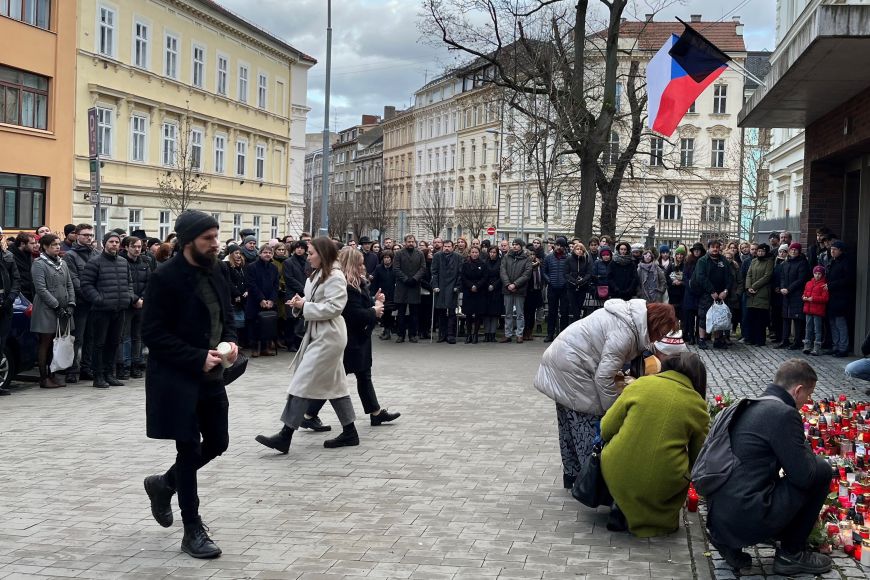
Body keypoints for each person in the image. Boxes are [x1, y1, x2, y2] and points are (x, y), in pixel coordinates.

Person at [142, 211, 239, 559]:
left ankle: (163, 484)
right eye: (208, 238)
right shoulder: (165, 278)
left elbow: (226, 316)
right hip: (178, 378)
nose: (216, 244)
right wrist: (197, 356)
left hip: (213, 376)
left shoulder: (217, 269)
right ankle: (192, 529)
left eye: (216, 236)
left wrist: (230, 342)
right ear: (187, 241)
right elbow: (152, 333)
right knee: (188, 449)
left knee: (217, 442)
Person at [705, 359, 833, 576]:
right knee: (821, 471)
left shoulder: (749, 404)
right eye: (808, 395)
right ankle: (791, 554)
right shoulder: (783, 413)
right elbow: (804, 476)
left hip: (719, 515)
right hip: (747, 513)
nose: (807, 401)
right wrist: (806, 451)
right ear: (798, 390)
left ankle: (729, 540)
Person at [533, 300, 677, 489]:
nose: (659, 338)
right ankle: (588, 485)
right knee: (585, 426)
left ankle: (573, 476)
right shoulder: (625, 333)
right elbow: (603, 378)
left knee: (568, 424)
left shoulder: (629, 319)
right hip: (573, 367)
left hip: (564, 359)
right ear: (653, 323)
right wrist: (613, 412)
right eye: (660, 332)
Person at [255, 237, 360, 452]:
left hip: (329, 336)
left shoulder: (335, 276)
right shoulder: (316, 275)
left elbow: (335, 307)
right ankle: (350, 431)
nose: (308, 256)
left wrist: (304, 306)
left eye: (311, 253)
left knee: (301, 382)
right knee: (336, 384)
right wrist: (298, 304)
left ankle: (285, 435)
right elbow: (311, 302)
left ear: (322, 254)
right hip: (318, 334)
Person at [601, 352, 709, 536]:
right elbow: (699, 458)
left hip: (615, 470)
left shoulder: (641, 384)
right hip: (662, 482)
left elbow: (606, 428)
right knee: (663, 477)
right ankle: (650, 517)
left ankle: (623, 507)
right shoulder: (697, 405)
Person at [304, 247, 400, 428]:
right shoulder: (345, 286)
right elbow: (353, 314)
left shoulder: (358, 283)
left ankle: (375, 412)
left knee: (362, 375)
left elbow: (364, 305)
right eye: (360, 264)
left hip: (358, 338)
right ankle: (309, 414)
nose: (364, 267)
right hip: (349, 339)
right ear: (351, 264)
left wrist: (375, 302)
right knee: (334, 379)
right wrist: (374, 310)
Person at [81, 231, 133, 388]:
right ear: (104, 243)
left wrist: (128, 296)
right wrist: (98, 299)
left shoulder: (123, 262)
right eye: (111, 242)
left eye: (117, 242)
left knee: (114, 342)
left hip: (120, 308)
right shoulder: (94, 262)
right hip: (101, 310)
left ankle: (109, 374)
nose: (114, 245)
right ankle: (98, 376)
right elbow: (86, 285)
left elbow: (129, 282)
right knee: (99, 344)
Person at [30, 234, 76, 389]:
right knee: (46, 342)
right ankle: (44, 377)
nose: (58, 247)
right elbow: (41, 289)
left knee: (57, 342)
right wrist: (56, 306)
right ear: (45, 246)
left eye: (58, 244)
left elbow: (69, 284)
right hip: (46, 309)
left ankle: (54, 373)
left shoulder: (62, 263)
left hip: (63, 308)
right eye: (54, 245)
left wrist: (71, 303)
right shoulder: (39, 264)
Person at [119, 235, 150, 379]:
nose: (138, 249)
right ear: (126, 247)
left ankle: (135, 365)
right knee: (125, 336)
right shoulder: (121, 262)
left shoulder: (145, 261)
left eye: (139, 246)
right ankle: (125, 365)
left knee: (137, 336)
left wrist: (143, 298)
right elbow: (122, 284)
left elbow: (150, 282)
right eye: (134, 246)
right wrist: (134, 299)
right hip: (127, 304)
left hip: (141, 304)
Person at [693, 240, 733, 350]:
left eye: (717, 247)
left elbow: (729, 277)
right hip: (707, 294)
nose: (715, 249)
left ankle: (717, 340)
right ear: (708, 248)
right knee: (703, 316)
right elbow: (700, 277)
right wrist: (711, 291)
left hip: (721, 294)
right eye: (712, 247)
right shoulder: (702, 261)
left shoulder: (723, 260)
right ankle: (702, 339)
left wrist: (725, 291)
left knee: (719, 317)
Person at [244, 243, 279, 357]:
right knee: (254, 325)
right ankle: (255, 348)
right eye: (265, 252)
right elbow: (251, 284)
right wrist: (261, 299)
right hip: (255, 301)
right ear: (260, 254)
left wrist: (272, 300)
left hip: (269, 301)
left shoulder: (274, 268)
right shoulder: (252, 266)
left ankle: (265, 348)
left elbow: (275, 285)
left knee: (267, 325)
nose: (267, 254)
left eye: (269, 253)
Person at [392, 234, 426, 343]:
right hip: (402, 286)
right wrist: (406, 279)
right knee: (401, 313)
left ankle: (413, 334)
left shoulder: (420, 254)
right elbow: (396, 269)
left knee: (414, 313)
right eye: (408, 241)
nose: (410, 243)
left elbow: (423, 268)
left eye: (412, 241)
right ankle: (400, 335)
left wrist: (415, 279)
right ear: (405, 242)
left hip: (414, 286)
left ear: (415, 242)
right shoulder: (398, 254)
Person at [776, 243, 810, 351]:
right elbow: (782, 277)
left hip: (796, 294)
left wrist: (789, 289)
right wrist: (782, 288)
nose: (793, 251)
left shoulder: (802, 263)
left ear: (799, 251)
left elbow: (801, 279)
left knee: (797, 319)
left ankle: (797, 341)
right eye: (792, 249)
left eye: (796, 250)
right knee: (786, 317)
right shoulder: (786, 263)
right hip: (786, 294)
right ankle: (784, 340)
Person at [500, 239, 532, 343]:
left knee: (519, 313)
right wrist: (508, 284)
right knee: (508, 313)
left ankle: (519, 334)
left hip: (519, 289)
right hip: (507, 288)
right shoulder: (506, 257)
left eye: (517, 245)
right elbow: (503, 271)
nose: (514, 246)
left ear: (521, 246)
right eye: (513, 244)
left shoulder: (526, 258)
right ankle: (508, 334)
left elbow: (527, 274)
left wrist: (515, 284)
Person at [0, 231, 21, 395]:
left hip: (5, 306)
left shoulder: (7, 257)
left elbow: (16, 280)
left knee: (1, 344)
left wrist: (11, 298)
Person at [431, 240, 463, 344]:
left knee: (452, 312)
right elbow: (434, 272)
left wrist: (457, 286)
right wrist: (435, 285)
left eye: (449, 246)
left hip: (452, 287)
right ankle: (442, 334)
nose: (447, 248)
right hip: (441, 287)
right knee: (441, 312)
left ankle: (451, 335)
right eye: (445, 246)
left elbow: (460, 273)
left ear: (453, 247)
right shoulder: (437, 256)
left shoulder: (457, 257)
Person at [743, 243, 774, 346]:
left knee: (760, 319)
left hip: (762, 293)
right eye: (759, 251)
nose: (760, 253)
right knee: (751, 317)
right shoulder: (753, 261)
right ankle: (751, 338)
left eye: (762, 251)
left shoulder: (769, 262)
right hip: (751, 294)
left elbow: (767, 276)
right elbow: (749, 274)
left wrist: (754, 286)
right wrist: (748, 287)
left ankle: (760, 340)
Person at [825, 241, 852, 357]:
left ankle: (843, 348)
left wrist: (831, 285)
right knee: (832, 323)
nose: (832, 251)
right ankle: (835, 346)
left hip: (841, 297)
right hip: (831, 297)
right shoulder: (832, 261)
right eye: (831, 249)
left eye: (835, 249)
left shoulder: (846, 262)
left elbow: (848, 279)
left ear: (841, 250)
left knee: (840, 323)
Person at [542, 237, 571, 342]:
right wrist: (549, 280)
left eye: (561, 245)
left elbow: (570, 272)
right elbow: (544, 271)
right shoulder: (548, 257)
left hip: (564, 288)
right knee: (551, 312)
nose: (558, 247)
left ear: (564, 247)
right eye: (557, 245)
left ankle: (563, 335)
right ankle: (550, 334)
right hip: (552, 288)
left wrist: (566, 281)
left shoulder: (569, 257)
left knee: (564, 312)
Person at [282, 241, 309, 352]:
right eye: (297, 248)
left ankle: (299, 343)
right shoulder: (288, 262)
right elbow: (289, 278)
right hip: (292, 293)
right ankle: (290, 343)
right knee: (291, 319)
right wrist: (303, 288)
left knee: (302, 319)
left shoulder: (308, 261)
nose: (299, 250)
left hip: (305, 294)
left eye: (302, 248)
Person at [221, 244, 247, 346]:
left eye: (240, 253)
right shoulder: (226, 265)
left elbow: (244, 280)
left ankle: (238, 343)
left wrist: (246, 290)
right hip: (232, 298)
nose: (238, 255)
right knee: (233, 322)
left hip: (242, 297)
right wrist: (236, 293)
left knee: (240, 322)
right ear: (230, 254)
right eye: (236, 253)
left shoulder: (240, 265)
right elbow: (228, 282)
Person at [460, 246, 487, 343]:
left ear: (479, 253)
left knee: (478, 314)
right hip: (468, 291)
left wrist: (477, 286)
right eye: (472, 252)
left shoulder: (483, 264)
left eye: (476, 252)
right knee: (468, 314)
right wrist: (471, 286)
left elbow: (485, 277)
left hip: (479, 291)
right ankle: (468, 334)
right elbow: (463, 277)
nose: (474, 254)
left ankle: (475, 334)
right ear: (469, 253)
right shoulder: (465, 264)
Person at [801, 266, 829, 356]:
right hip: (808, 309)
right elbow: (804, 293)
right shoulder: (808, 283)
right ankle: (807, 346)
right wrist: (804, 297)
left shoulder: (824, 284)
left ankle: (817, 347)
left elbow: (825, 298)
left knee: (817, 329)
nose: (817, 275)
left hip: (818, 310)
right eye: (815, 273)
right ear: (813, 273)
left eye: (819, 274)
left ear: (822, 274)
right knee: (808, 328)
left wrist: (813, 299)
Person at [371, 251, 396, 340]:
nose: (386, 259)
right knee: (384, 313)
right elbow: (374, 280)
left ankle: (389, 331)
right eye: (385, 258)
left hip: (393, 293)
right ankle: (386, 330)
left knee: (389, 313)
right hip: (382, 294)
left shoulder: (395, 268)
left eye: (388, 257)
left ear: (392, 259)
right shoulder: (379, 268)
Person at [566, 242, 593, 324]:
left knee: (579, 306)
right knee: (574, 308)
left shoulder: (586, 260)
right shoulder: (569, 259)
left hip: (583, 287)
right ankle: (575, 324)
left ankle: (577, 324)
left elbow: (589, 273)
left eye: (581, 249)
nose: (579, 251)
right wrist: (574, 281)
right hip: (571, 287)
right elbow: (566, 273)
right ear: (574, 250)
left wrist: (582, 280)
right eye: (577, 249)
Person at [482, 246, 503, 342]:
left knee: (494, 314)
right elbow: (482, 275)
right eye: (490, 252)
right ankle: (486, 334)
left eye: (494, 252)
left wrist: (494, 285)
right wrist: (487, 285)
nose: (492, 254)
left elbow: (501, 276)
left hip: (496, 290)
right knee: (486, 313)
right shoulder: (484, 262)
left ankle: (492, 334)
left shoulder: (501, 262)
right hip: (485, 290)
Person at [9, 232, 37, 302]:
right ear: (22, 244)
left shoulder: (28, 254)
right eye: (32, 243)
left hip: (30, 294)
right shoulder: (9, 256)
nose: (35, 245)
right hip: (17, 297)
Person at [665, 247, 686, 316]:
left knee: (682, 313)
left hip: (682, 293)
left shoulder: (686, 265)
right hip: (672, 293)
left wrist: (682, 282)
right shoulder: (671, 265)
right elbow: (666, 277)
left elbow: (688, 278)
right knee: (673, 312)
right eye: (678, 254)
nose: (679, 256)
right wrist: (672, 282)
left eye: (681, 254)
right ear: (675, 255)